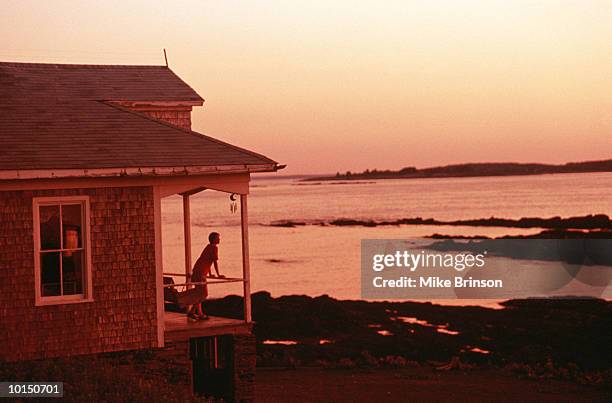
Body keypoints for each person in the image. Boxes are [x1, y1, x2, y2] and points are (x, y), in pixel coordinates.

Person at [187, 232, 224, 321]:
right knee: (203, 294)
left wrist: (210, 274)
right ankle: (192, 312)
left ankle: (200, 314)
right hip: (201, 273)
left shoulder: (208, 247)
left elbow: (207, 261)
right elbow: (214, 262)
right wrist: (219, 275)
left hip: (197, 271)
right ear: (214, 239)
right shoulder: (214, 248)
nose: (219, 239)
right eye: (218, 238)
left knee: (199, 293)